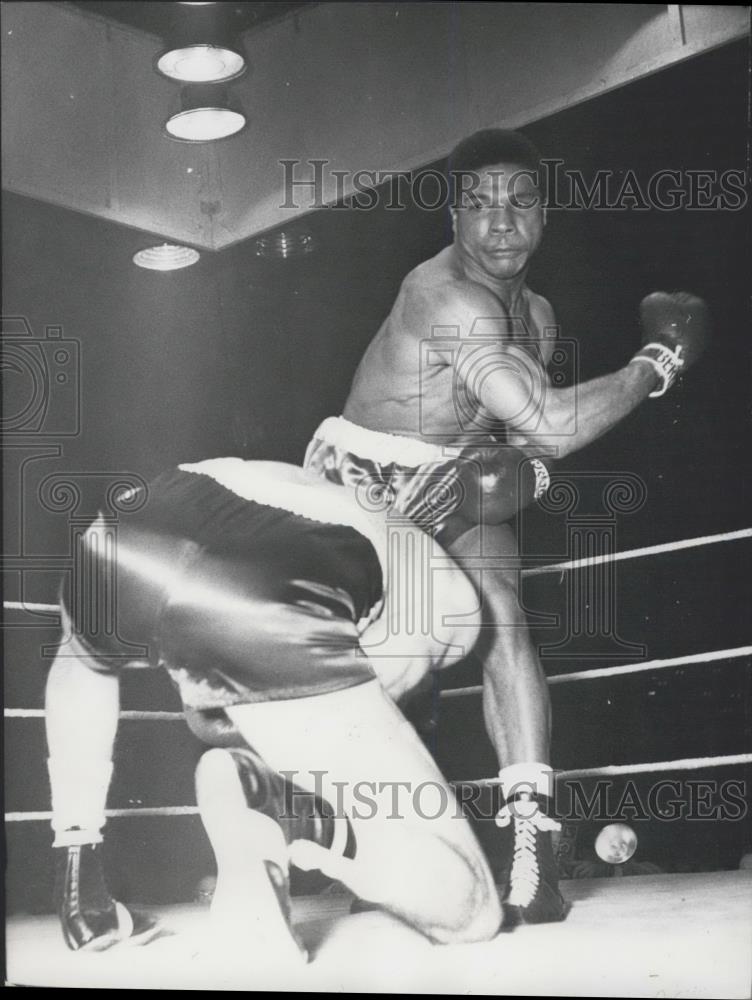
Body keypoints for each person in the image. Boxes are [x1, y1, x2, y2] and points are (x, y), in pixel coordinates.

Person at [304, 128, 709, 923]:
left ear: (543, 217)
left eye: (520, 204)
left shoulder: (540, 317)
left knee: (503, 620)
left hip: (455, 468)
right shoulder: (442, 296)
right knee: (396, 661)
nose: (500, 223)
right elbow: (554, 426)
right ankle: (365, 836)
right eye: (482, 205)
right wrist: (654, 364)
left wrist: (520, 473)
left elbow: (522, 447)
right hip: (361, 478)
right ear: (455, 216)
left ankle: (533, 848)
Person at [45, 452, 541, 958]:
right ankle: (285, 811)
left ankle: (80, 881)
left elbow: (206, 709)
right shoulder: (455, 611)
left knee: (82, 655)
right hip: (273, 584)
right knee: (473, 910)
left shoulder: (320, 490)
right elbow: (293, 696)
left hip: (136, 520)